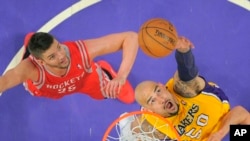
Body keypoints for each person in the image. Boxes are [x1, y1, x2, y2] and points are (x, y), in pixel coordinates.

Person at [134, 36, 250, 141]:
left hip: (222, 117)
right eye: (153, 100)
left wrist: (183, 52)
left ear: (162, 86)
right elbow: (135, 130)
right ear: (149, 110)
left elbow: (241, 113)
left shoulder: (182, 89)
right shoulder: (154, 125)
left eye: (158, 91)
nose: (161, 99)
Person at [0, 31, 139, 104]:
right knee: (32, 88)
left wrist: (121, 76)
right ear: (40, 61)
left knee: (106, 92)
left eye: (59, 47)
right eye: (52, 56)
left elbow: (130, 37)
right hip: (49, 88)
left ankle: (105, 71)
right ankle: (29, 47)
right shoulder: (30, 69)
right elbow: (4, 82)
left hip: (84, 79)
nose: (61, 56)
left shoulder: (81, 51)